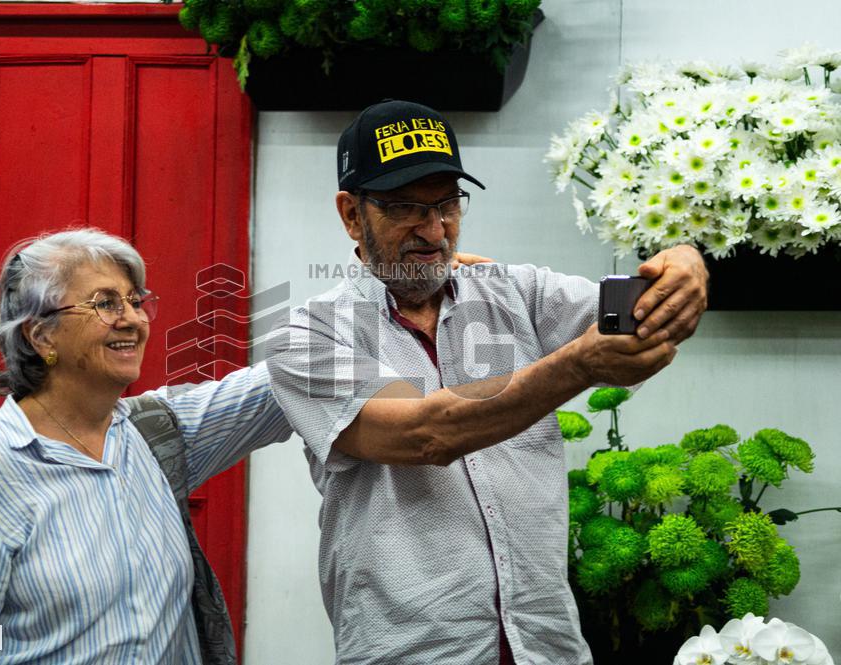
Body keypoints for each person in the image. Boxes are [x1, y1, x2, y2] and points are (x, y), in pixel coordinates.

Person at [265, 100, 709, 665]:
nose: (434, 230)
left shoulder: (516, 293)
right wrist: (578, 365)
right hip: (413, 651)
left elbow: (638, 311)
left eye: (448, 204)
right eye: (405, 207)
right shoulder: (308, 336)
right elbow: (424, 435)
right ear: (352, 214)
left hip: (546, 646)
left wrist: (683, 264)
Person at [0, 228, 292, 664]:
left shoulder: (157, 435)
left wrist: (378, 273)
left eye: (135, 301)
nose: (132, 319)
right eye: (105, 303)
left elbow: (281, 383)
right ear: (42, 336)